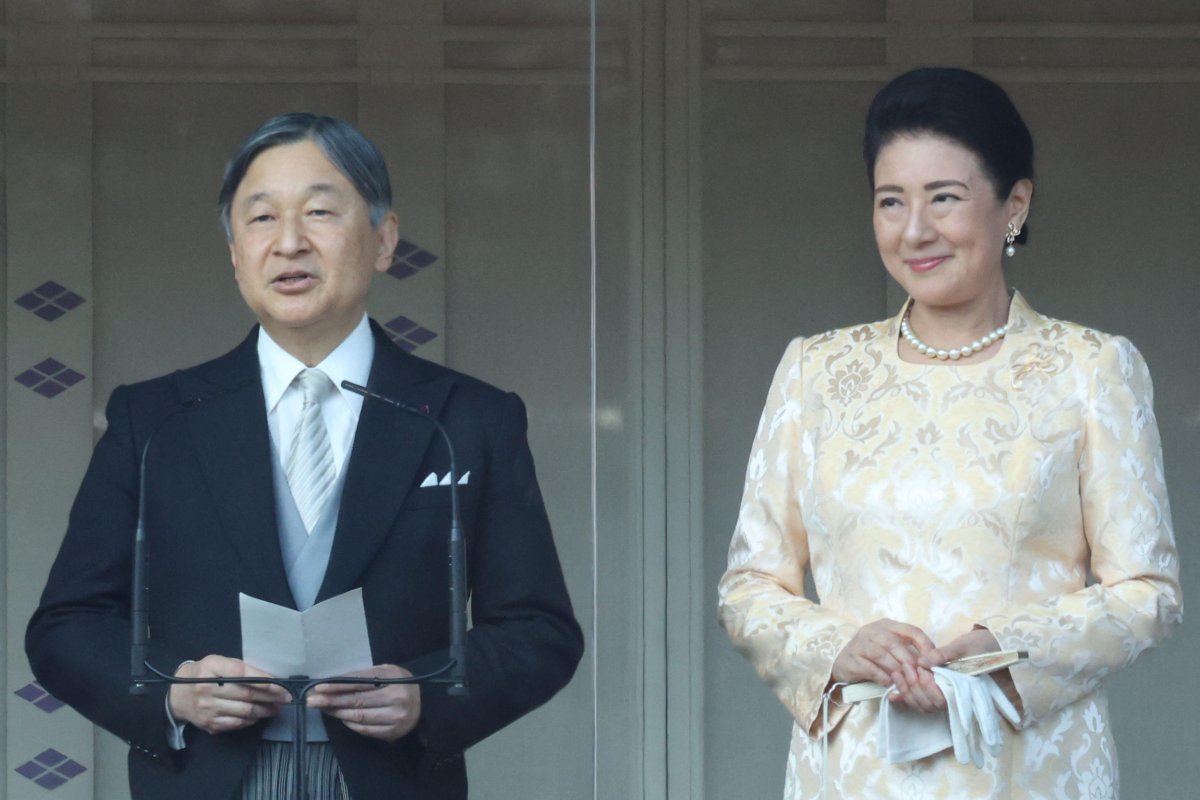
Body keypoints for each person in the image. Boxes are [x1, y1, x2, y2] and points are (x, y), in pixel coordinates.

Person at [26, 113, 584, 800]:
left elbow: (538, 630)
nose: (289, 242)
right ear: (234, 252)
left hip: (390, 777)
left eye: (320, 212)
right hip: (206, 776)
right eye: (260, 219)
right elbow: (67, 626)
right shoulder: (155, 420)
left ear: (383, 240)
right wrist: (176, 690)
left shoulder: (471, 419)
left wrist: (426, 695)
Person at [717, 68, 1181, 798]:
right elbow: (750, 586)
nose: (914, 231)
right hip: (855, 771)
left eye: (945, 198)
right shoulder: (815, 370)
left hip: (1028, 769)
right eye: (890, 202)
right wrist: (841, 644)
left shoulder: (1090, 368)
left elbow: (1148, 591)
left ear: (1014, 206)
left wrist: (1007, 648)